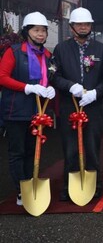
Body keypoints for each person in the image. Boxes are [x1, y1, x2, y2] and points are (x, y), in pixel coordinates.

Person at [51, 7, 103, 201]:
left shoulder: (101, 48)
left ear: (91, 26)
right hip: (70, 105)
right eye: (79, 24)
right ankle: (69, 186)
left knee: (92, 146)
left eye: (87, 24)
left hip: (93, 105)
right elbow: (54, 76)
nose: (83, 27)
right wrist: (70, 86)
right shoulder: (61, 49)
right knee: (70, 147)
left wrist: (95, 93)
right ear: (72, 26)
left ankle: (95, 185)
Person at [0, 12, 56, 205]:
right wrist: (27, 87)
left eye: (43, 31)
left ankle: (32, 183)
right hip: (16, 110)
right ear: (27, 31)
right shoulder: (14, 51)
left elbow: (51, 78)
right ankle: (20, 190)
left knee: (34, 150)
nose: (40, 34)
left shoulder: (48, 56)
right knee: (17, 151)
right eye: (36, 30)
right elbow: (2, 77)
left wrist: (51, 89)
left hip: (38, 111)